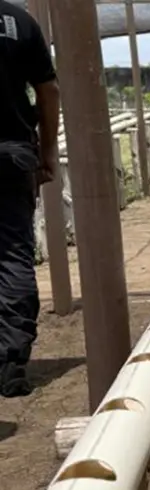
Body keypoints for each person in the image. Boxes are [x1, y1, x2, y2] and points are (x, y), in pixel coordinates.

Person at [0, 1, 57, 398]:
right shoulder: (18, 20)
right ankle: (11, 363)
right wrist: (48, 153)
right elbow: (48, 90)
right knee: (12, 256)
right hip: (12, 155)